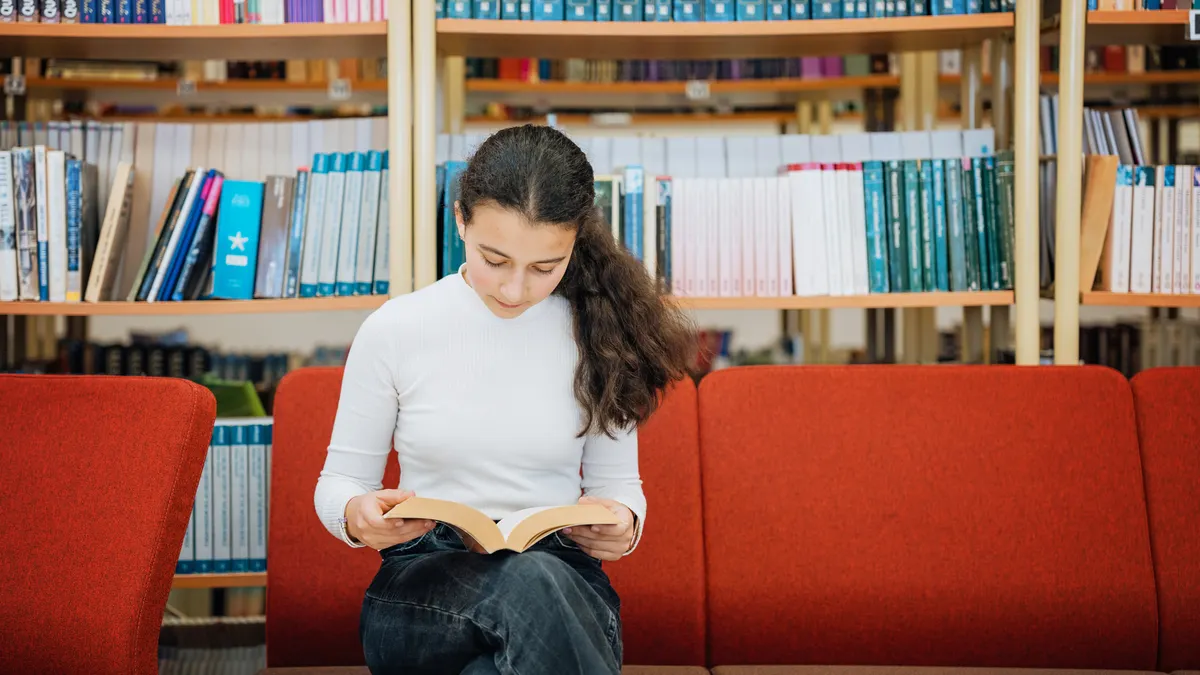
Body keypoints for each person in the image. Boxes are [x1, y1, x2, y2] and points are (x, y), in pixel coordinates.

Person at [313, 123, 696, 675]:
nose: (515, 290)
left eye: (545, 268)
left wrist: (622, 527)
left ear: (574, 242)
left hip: (565, 582)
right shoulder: (396, 328)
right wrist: (355, 515)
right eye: (495, 260)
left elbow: (619, 491)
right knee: (528, 582)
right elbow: (340, 482)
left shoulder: (601, 332)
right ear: (460, 220)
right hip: (424, 587)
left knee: (507, 637)